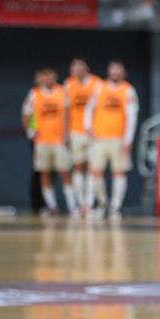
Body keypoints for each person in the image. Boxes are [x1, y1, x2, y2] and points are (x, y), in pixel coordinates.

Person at [85, 62, 138, 219]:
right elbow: (89, 108)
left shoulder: (129, 90)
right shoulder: (100, 88)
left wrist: (128, 139)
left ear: (123, 73)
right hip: (99, 138)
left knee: (119, 172)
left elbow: (132, 117)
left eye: (118, 70)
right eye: (113, 70)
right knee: (95, 172)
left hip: (118, 139)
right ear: (108, 72)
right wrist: (88, 127)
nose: (115, 73)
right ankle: (103, 203)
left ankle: (116, 206)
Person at [22, 68, 75, 216]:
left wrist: (67, 134)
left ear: (55, 77)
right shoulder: (34, 93)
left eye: (51, 77)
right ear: (41, 79)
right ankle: (52, 206)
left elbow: (67, 115)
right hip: (42, 141)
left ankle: (72, 205)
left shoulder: (62, 91)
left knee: (64, 172)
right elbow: (26, 114)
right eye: (45, 77)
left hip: (59, 140)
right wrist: (30, 131)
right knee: (44, 172)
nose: (48, 80)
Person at [65, 58, 99, 214]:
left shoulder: (97, 83)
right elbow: (65, 111)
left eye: (80, 68)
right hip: (75, 132)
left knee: (93, 167)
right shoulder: (68, 84)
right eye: (75, 69)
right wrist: (65, 132)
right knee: (78, 167)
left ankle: (90, 202)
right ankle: (80, 202)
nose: (77, 71)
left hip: (94, 132)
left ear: (86, 68)